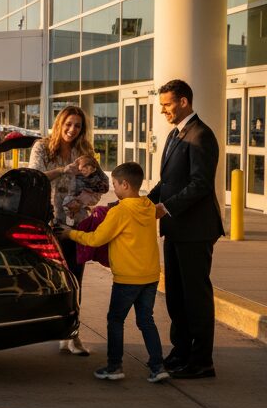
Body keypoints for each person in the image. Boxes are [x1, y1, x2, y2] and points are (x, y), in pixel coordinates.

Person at [147, 79, 225, 379]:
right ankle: (180, 352)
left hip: (195, 230)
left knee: (196, 297)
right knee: (176, 297)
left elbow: (200, 184)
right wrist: (143, 204)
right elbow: (168, 184)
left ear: (183, 102)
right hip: (175, 229)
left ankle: (201, 361)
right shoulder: (175, 135)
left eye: (167, 105)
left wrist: (165, 208)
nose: (163, 110)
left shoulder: (201, 135)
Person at [66, 162, 168, 383]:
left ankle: (114, 366)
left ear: (124, 184)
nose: (114, 188)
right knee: (146, 320)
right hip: (150, 276)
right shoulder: (149, 206)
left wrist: (71, 234)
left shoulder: (119, 211)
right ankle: (158, 366)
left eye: (115, 184)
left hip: (127, 278)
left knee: (115, 320)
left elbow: (96, 239)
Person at [28, 104, 96, 355]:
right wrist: (62, 170)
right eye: (68, 124)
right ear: (59, 124)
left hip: (76, 225)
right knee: (53, 281)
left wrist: (84, 201)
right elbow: (34, 178)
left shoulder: (85, 151)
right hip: (49, 223)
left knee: (75, 280)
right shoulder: (43, 147)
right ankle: (54, 329)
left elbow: (96, 185)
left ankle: (72, 335)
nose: (72, 129)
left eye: (77, 125)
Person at [62, 154, 110, 226]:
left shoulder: (98, 176)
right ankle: (71, 215)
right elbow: (72, 188)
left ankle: (83, 208)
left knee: (79, 201)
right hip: (79, 195)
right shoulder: (77, 174)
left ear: (93, 169)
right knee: (67, 201)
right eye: (81, 170)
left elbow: (104, 189)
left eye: (88, 169)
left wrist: (92, 184)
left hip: (92, 195)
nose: (84, 172)